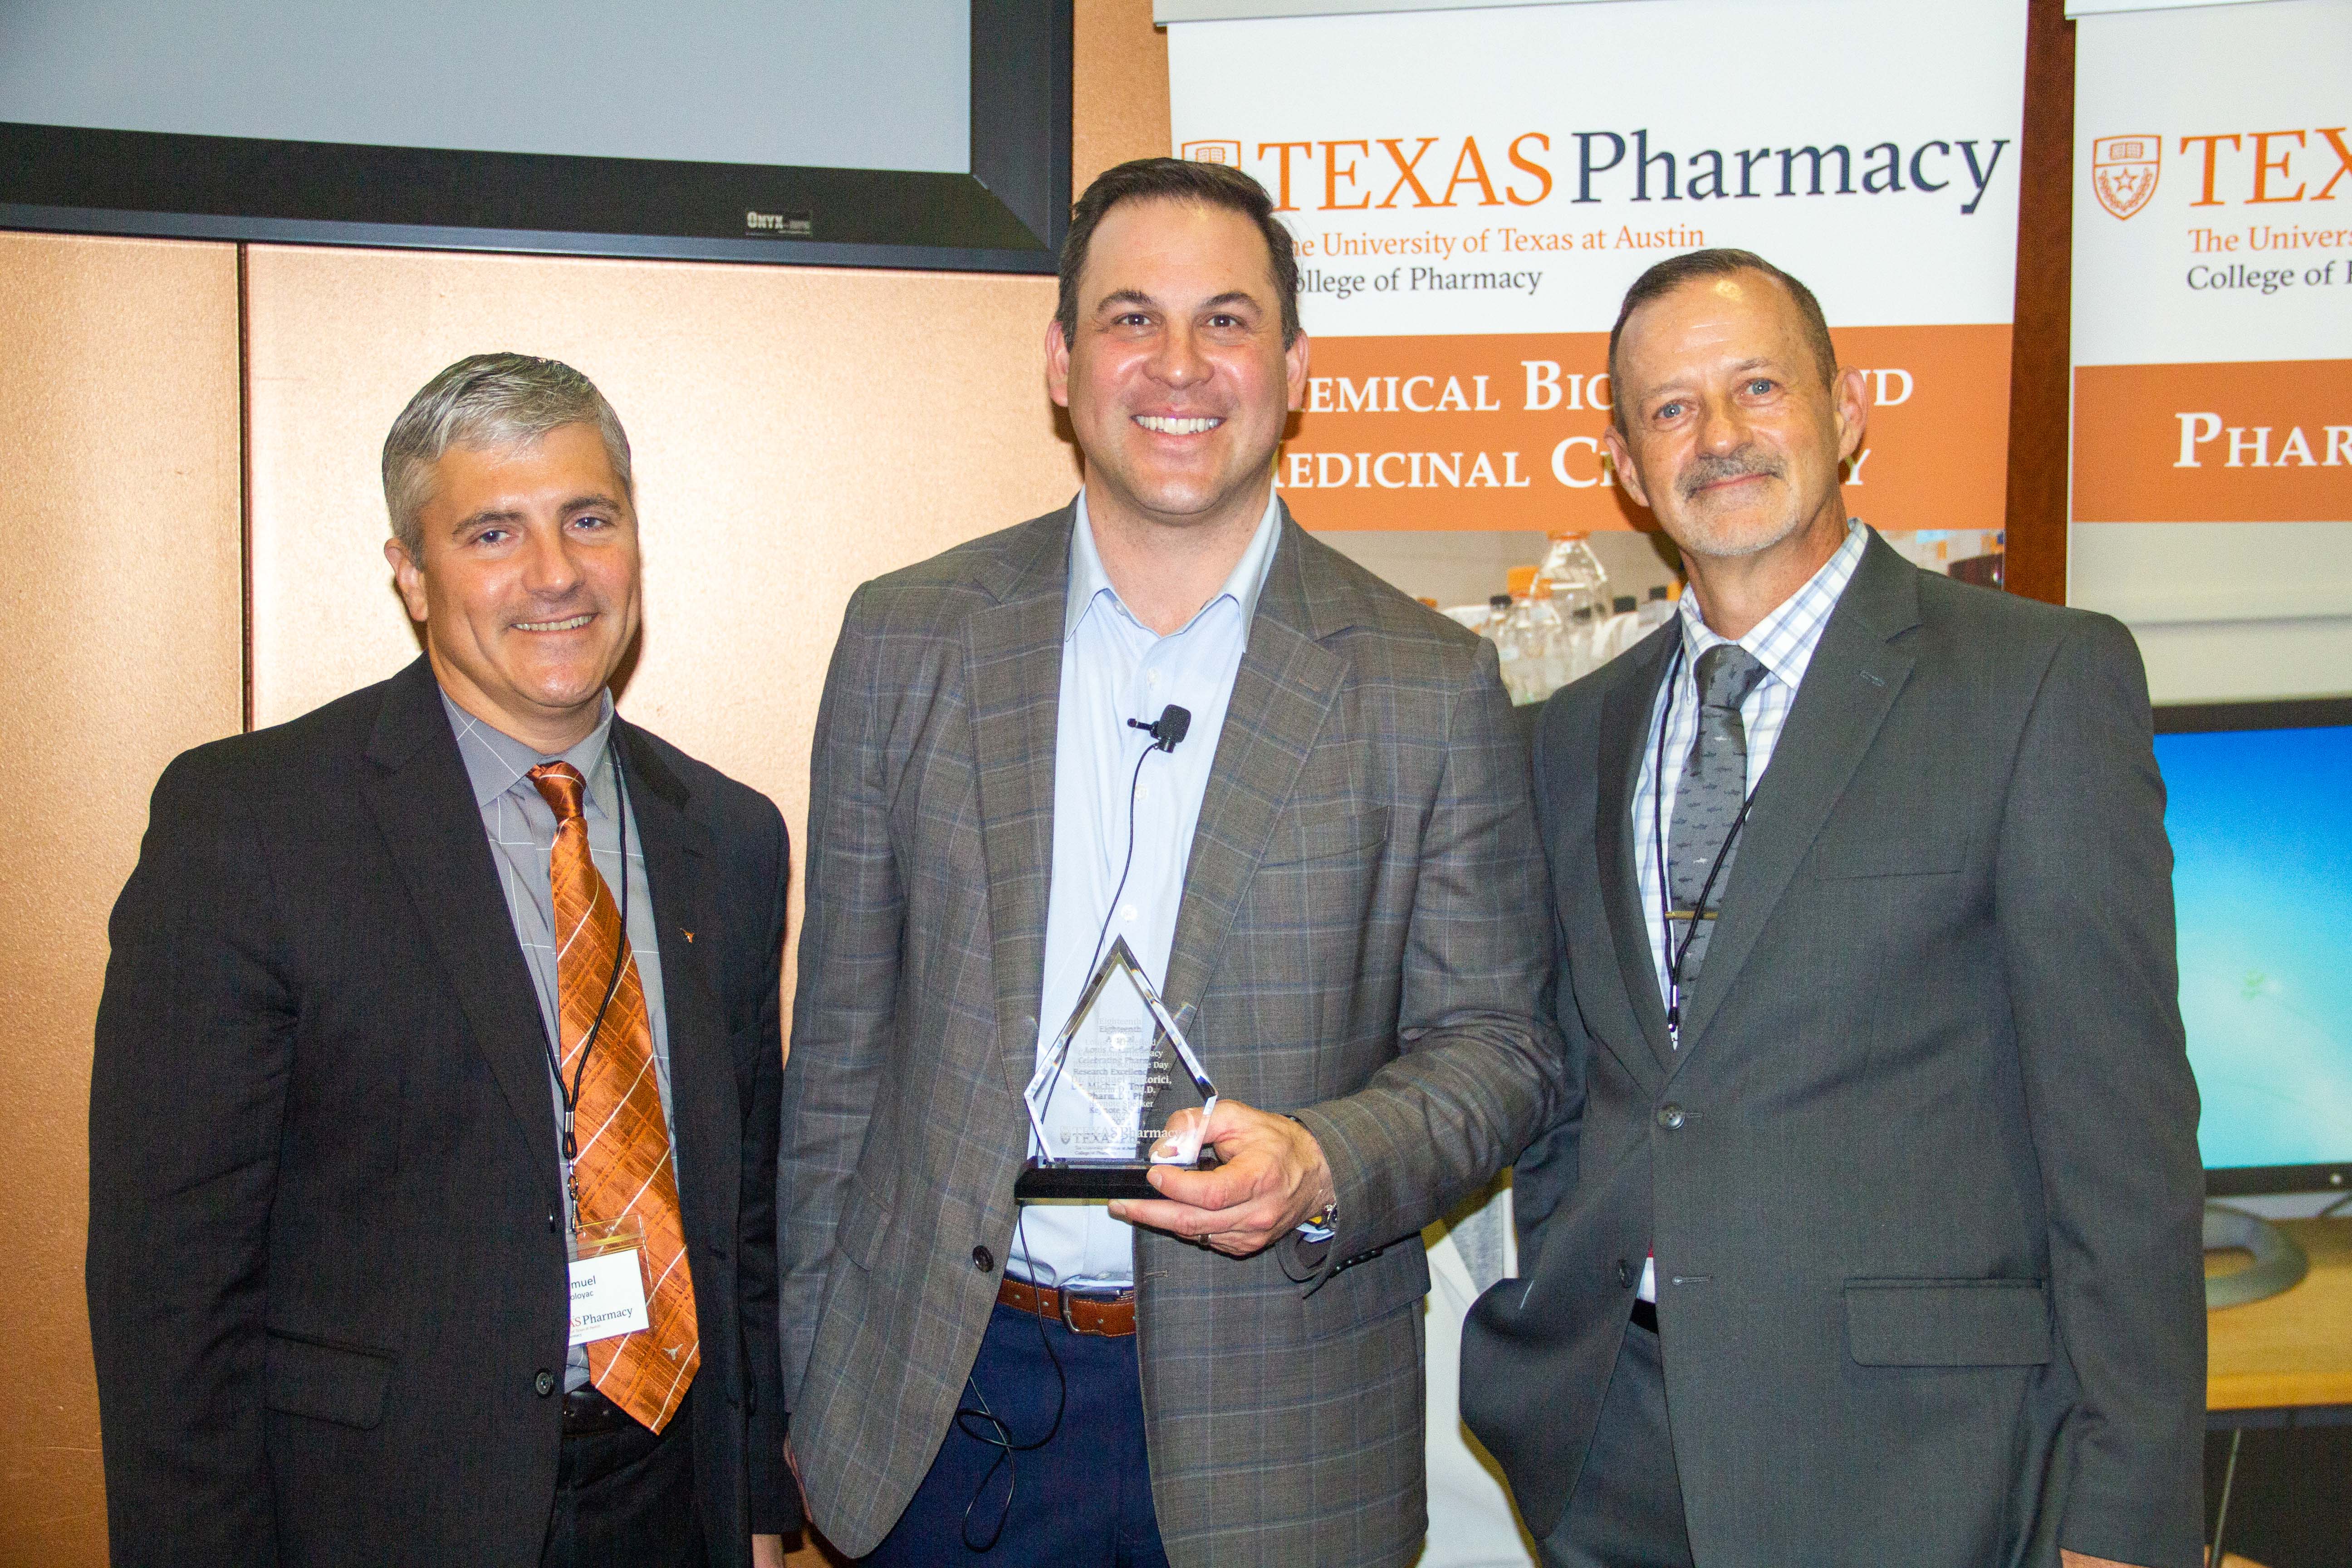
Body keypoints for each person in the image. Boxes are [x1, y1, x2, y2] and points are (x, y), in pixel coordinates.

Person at [778, 157, 1561, 1567]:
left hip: (1280, 1427)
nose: (1180, 366)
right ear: (1063, 362)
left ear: (1296, 366)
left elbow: (1499, 1049)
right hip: (942, 1404)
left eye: (1228, 321)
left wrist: (1325, 1162)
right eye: (1133, 319)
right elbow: (840, 1051)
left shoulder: (1429, 685)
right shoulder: (908, 638)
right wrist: (810, 1381)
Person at [1462, 248, 2207, 1568]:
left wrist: (2121, 1515)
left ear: (1846, 411)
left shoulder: (2036, 685)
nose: (1723, 436)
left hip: (1928, 1467)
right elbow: (1583, 1084)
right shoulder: (1565, 738)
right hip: (1619, 1453)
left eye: (1759, 387)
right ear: (1627, 467)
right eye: (1672, 409)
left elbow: (2124, 1142)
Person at [88, 355, 798, 1568]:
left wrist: (758, 1512)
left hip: (666, 1507)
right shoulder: (252, 825)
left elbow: (748, 1228)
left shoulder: (729, 837)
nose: (556, 573)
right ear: (411, 576)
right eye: (491, 533)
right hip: (381, 1512)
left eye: (589, 519)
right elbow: (172, 1293)